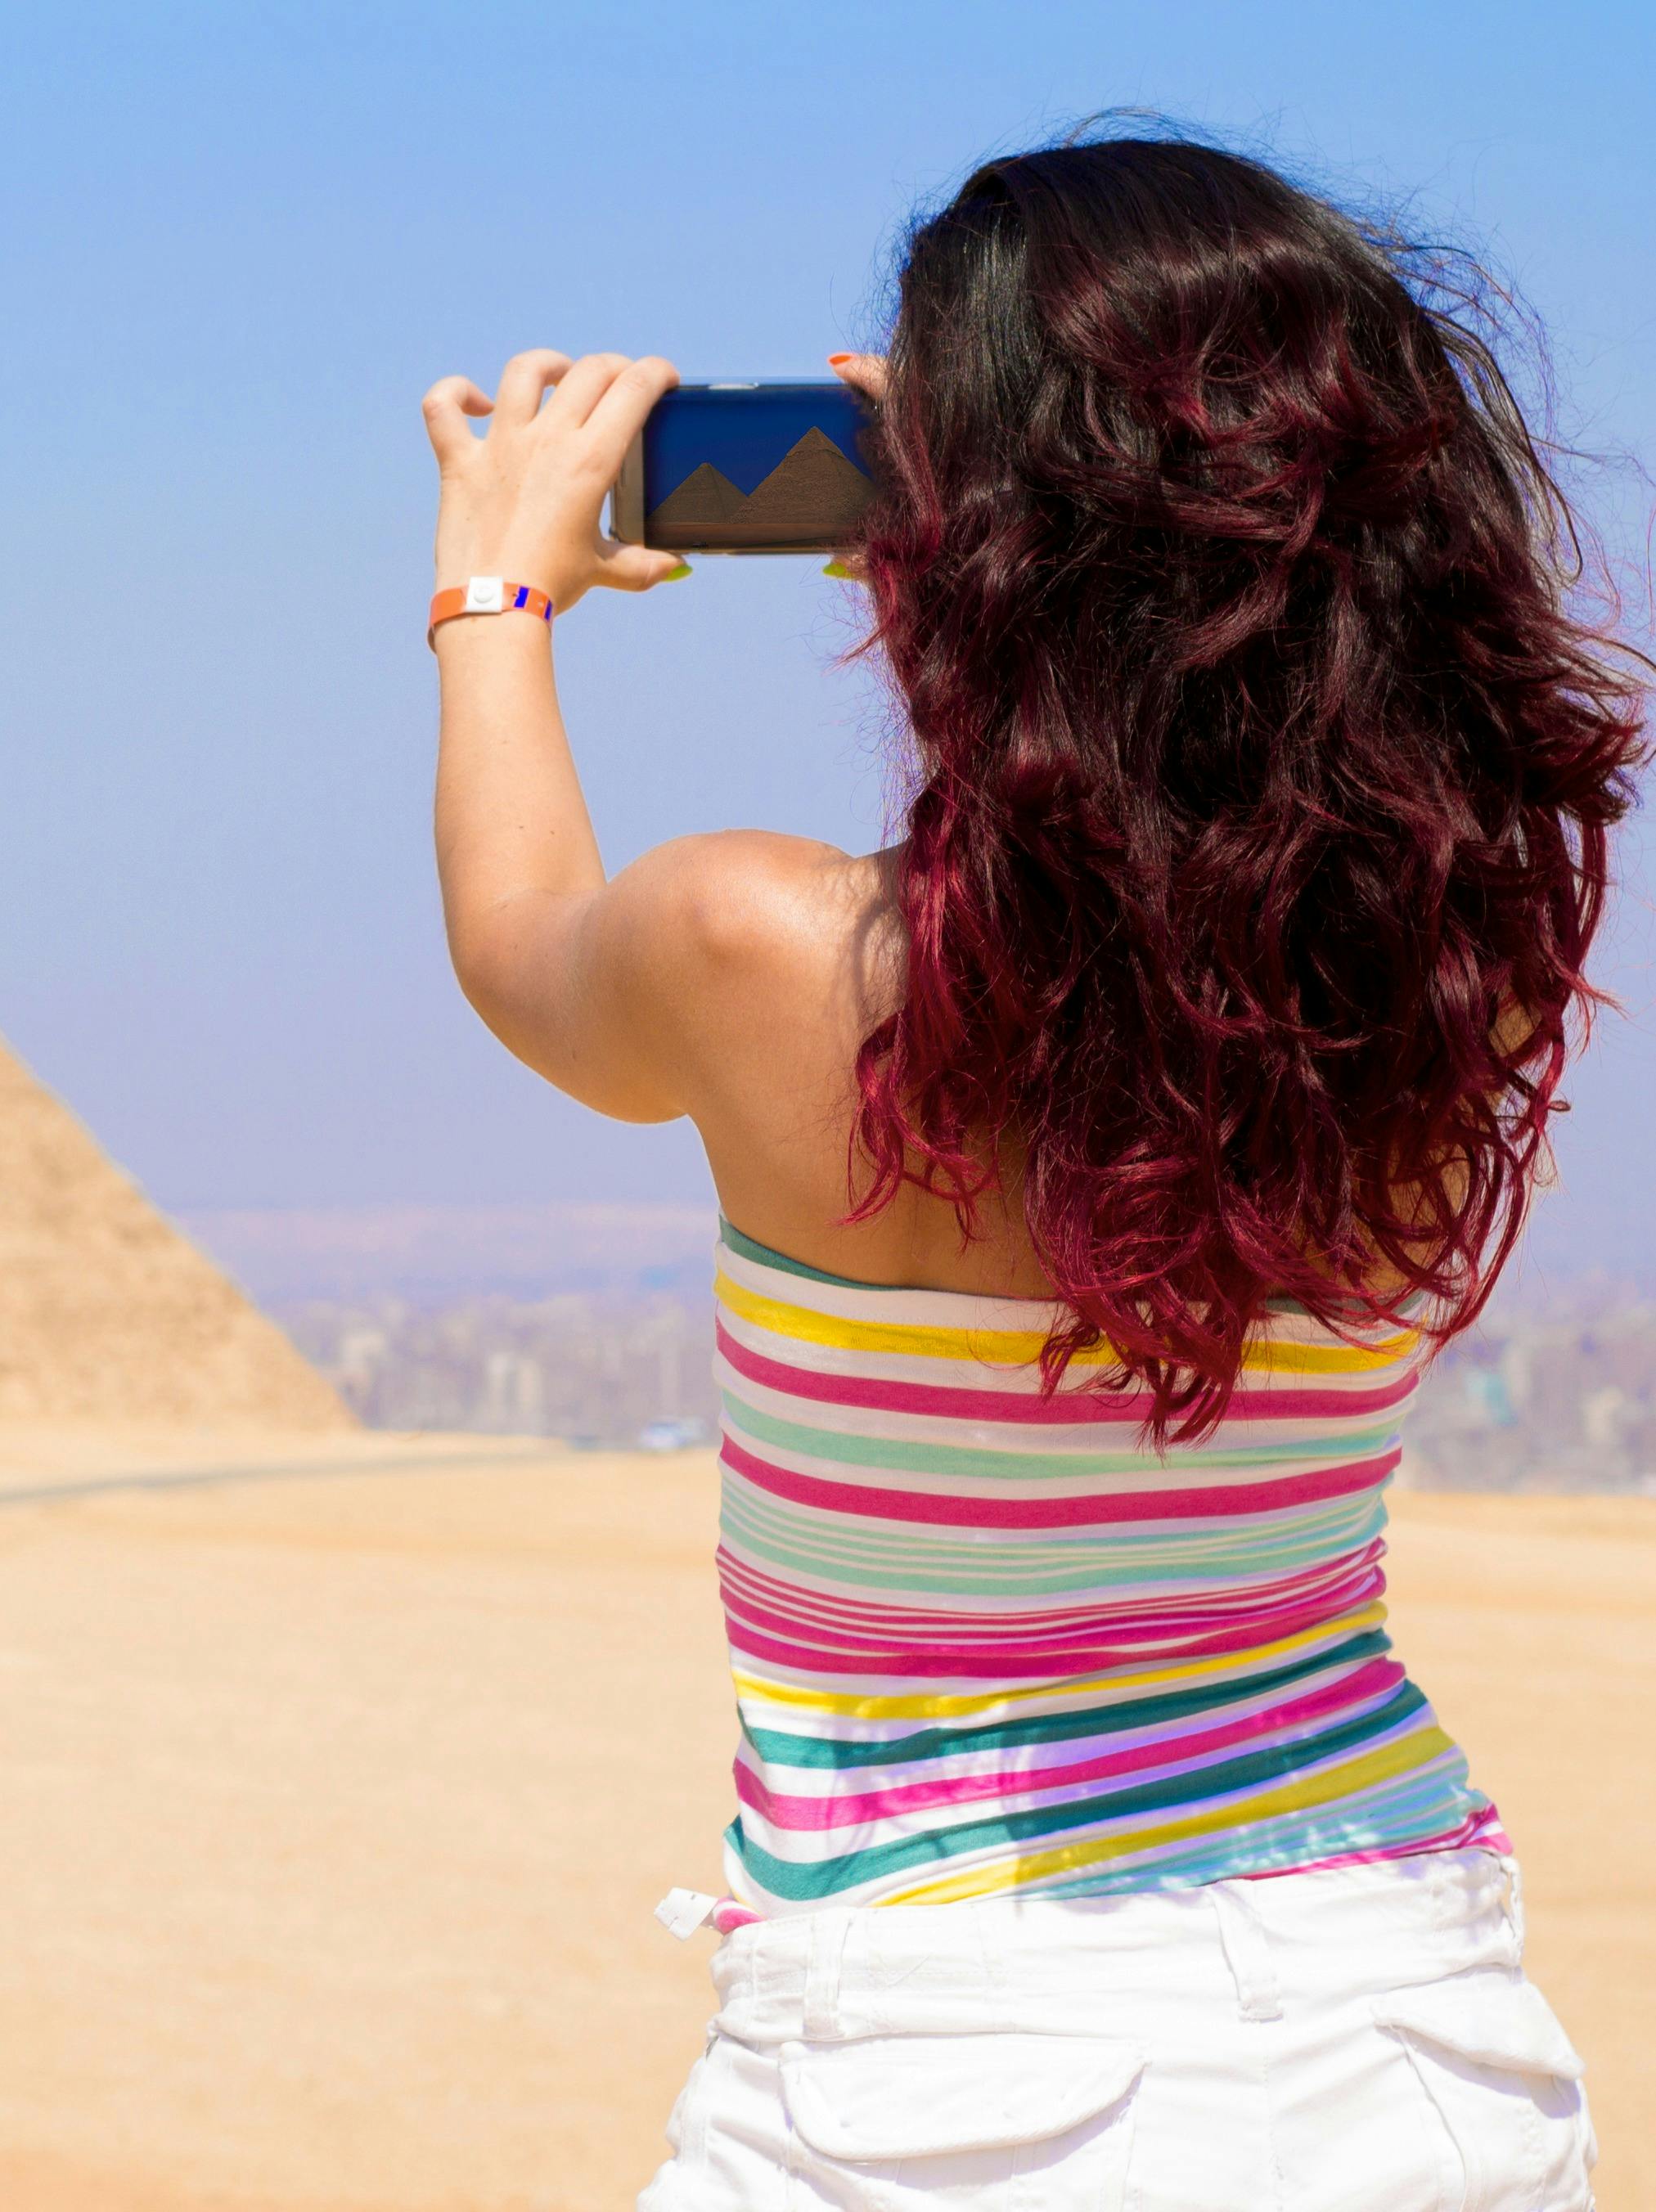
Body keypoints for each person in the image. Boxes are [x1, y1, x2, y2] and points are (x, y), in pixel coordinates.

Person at [422, 134, 1638, 2210]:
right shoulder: (1471, 978)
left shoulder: (764, 954)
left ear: (965, 528)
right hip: (1420, 2034)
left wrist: (495, 588)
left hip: (947, 2072)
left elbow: (519, 942)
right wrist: (1017, 547)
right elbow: (1193, 869)